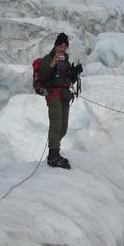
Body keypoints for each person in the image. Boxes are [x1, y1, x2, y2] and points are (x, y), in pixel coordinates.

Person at [38, 32, 82, 169]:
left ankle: (55, 152)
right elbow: (43, 77)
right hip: (53, 95)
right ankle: (53, 156)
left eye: (65, 46)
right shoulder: (48, 59)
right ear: (56, 46)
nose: (62, 49)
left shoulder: (66, 61)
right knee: (56, 125)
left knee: (63, 127)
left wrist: (74, 74)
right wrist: (52, 63)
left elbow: (67, 80)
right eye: (60, 46)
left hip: (64, 95)